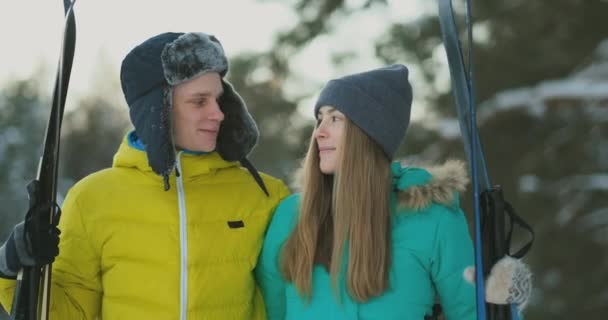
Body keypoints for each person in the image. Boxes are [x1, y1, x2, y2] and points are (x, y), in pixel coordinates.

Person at [0, 32, 289, 319]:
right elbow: (69, 313)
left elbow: (300, 299)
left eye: (219, 100)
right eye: (200, 102)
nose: (218, 113)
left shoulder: (265, 195)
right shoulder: (93, 198)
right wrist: (11, 266)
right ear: (158, 110)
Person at [255, 64, 478, 319]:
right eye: (320, 119)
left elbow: (470, 312)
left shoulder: (432, 219)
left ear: (369, 134)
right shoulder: (291, 216)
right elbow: (269, 311)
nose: (319, 132)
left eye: (335, 118)